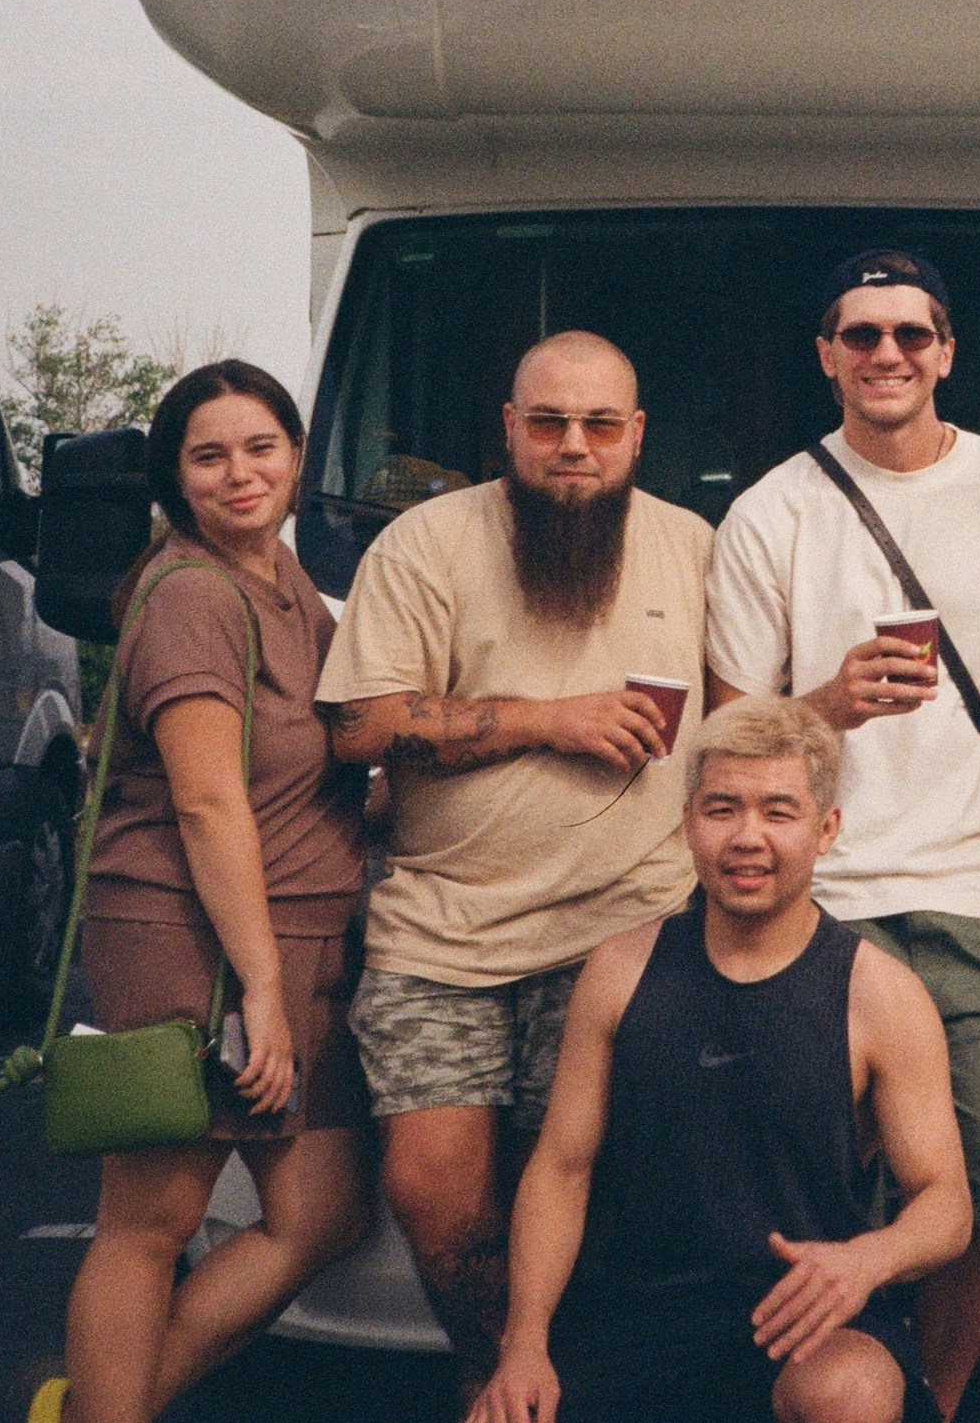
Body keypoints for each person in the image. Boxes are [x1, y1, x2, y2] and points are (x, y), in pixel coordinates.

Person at [704, 249, 980, 1420]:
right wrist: (827, 703)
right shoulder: (772, 509)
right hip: (824, 897)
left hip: (971, 884)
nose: (887, 354)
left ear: (946, 350)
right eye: (860, 335)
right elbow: (725, 732)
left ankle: (931, 1400)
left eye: (911, 333)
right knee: (824, 1190)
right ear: (826, 355)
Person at [314, 331, 711, 1401]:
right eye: (548, 422)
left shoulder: (693, 545)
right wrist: (548, 719)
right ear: (508, 427)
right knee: (433, 1194)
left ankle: (580, 1385)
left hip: (624, 927)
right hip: (441, 930)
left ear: (635, 434)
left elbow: (742, 717)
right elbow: (357, 724)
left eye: (597, 425)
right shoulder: (425, 541)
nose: (571, 446)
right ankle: (502, 1383)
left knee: (613, 1198)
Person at [470, 698, 969, 1423]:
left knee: (854, 1393)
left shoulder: (881, 994)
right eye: (722, 808)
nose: (747, 837)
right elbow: (561, 1168)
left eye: (778, 811)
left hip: (803, 1319)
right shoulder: (620, 970)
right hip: (634, 1318)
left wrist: (866, 1261)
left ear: (826, 828)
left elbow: (946, 1202)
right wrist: (525, 1343)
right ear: (687, 823)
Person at [43, 362, 373, 1423]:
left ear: (296, 454)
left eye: (261, 446)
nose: (241, 473)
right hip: (194, 936)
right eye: (210, 454)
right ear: (174, 478)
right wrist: (260, 990)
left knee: (318, 1210)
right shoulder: (190, 594)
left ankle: (107, 1407)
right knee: (151, 1217)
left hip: (295, 932)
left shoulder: (290, 588)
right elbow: (207, 805)